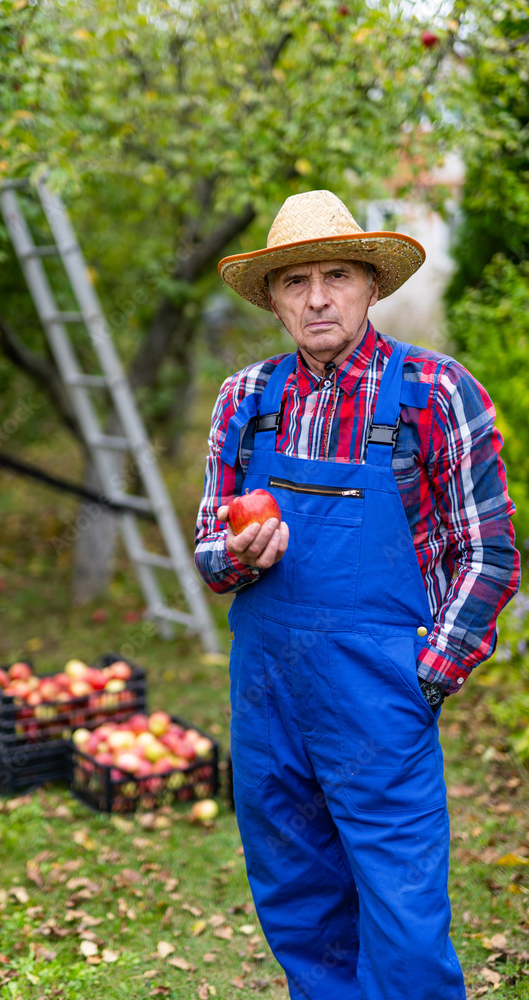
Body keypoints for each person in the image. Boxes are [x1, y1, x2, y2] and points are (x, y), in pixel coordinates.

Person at [194, 190, 520, 1000]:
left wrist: (426, 675)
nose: (315, 297)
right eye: (294, 280)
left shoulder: (434, 395)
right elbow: (208, 549)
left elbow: (488, 552)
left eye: (335, 275)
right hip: (269, 697)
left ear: (371, 286)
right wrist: (235, 556)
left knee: (403, 924)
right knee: (300, 907)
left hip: (379, 696)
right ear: (271, 297)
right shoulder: (244, 402)